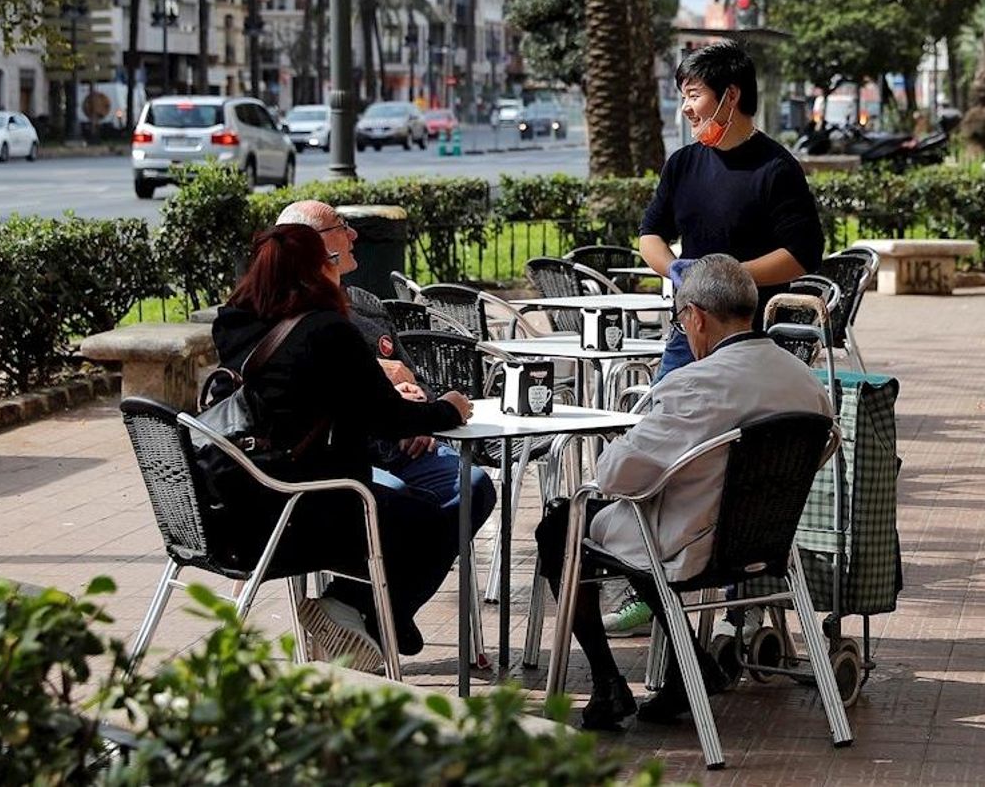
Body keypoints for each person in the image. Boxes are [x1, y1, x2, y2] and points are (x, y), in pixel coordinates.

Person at [534, 256, 833, 730]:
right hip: (767, 543)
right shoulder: (805, 381)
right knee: (639, 528)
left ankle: (608, 683)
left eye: (680, 320)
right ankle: (688, 665)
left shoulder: (696, 384)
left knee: (561, 523)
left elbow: (614, 476)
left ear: (694, 317)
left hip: (690, 543)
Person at [623, 41, 824, 640]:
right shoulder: (683, 165)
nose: (686, 108)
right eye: (682, 95)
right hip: (688, 338)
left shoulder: (775, 168)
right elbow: (650, 235)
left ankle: (746, 601)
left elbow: (800, 253)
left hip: (749, 345)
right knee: (663, 453)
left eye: (693, 95)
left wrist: (727, 277)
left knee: (744, 470)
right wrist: (676, 272)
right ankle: (651, 584)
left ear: (729, 96)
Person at [211, 224, 475, 671]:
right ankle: (361, 612)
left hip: (237, 506)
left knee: (423, 504)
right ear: (318, 269)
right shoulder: (326, 331)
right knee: (440, 516)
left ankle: (368, 615)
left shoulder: (234, 326)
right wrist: (450, 409)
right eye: (329, 262)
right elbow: (386, 418)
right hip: (310, 507)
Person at [274, 201, 496, 534]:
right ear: (311, 243)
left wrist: (420, 411)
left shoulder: (367, 305)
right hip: (340, 457)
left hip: (404, 446)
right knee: (399, 505)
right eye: (340, 226)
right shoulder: (286, 317)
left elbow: (413, 376)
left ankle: (397, 577)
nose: (353, 234)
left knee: (474, 484)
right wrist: (382, 383)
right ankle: (379, 581)